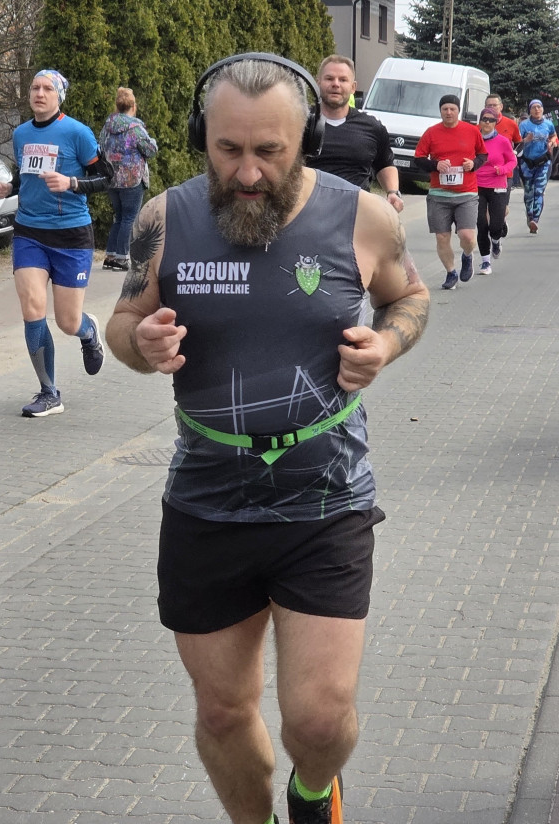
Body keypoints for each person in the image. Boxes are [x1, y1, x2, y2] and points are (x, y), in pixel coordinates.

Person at [105, 54, 430, 824]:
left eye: (268, 152)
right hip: (207, 505)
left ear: (306, 141)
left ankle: (313, 790)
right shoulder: (164, 220)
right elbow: (122, 321)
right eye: (228, 150)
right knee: (223, 712)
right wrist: (138, 345)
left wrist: (386, 344)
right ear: (202, 136)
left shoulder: (363, 217)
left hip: (326, 502)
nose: (247, 173)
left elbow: (411, 296)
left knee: (318, 719)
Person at [0, 69, 112, 418]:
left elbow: (107, 177)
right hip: (29, 231)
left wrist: (72, 183)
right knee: (32, 308)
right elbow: (26, 176)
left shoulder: (77, 132)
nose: (39, 93)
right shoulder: (21, 134)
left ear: (59, 96)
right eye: (35, 87)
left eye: (47, 88)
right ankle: (49, 393)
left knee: (67, 322)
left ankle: (88, 332)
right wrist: (9, 188)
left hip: (71, 234)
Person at [307, 54, 403, 212]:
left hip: (356, 215)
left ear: (353, 87)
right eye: (329, 78)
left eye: (343, 80)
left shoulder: (372, 126)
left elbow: (385, 163)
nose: (336, 84)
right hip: (309, 213)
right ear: (318, 83)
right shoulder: (300, 123)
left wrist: (393, 192)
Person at [413, 94, 487, 290]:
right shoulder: (431, 133)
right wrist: (435, 165)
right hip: (439, 194)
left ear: (458, 111)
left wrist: (473, 164)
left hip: (466, 193)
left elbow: (483, 154)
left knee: (467, 236)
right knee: (442, 237)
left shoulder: (471, 131)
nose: (448, 112)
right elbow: (418, 158)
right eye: (445, 109)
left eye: (452, 109)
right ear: (440, 111)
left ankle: (467, 256)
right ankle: (451, 272)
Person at [99, 86, 158, 270]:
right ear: (133, 106)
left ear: (117, 106)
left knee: (119, 217)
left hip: (111, 178)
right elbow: (150, 150)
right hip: (132, 179)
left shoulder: (107, 127)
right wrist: (153, 141)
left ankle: (110, 256)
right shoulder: (135, 128)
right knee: (129, 218)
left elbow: (100, 148)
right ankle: (122, 258)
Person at [474, 108, 516, 275]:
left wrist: (503, 169)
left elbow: (512, 161)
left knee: (495, 226)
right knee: (481, 224)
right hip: (476, 186)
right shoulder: (474, 139)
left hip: (498, 185)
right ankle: (485, 262)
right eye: (484, 119)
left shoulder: (503, 141)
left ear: (495, 122)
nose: (487, 122)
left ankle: (496, 240)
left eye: (491, 120)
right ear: (480, 121)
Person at [484, 93, 521, 238]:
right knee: (486, 208)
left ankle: (500, 221)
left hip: (505, 174)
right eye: (489, 105)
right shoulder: (480, 125)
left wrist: (514, 153)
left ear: (501, 106)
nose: (492, 107)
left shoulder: (510, 124)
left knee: (502, 208)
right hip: (484, 175)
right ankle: (492, 230)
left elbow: (519, 143)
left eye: (495, 105)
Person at [518, 99, 557, 234]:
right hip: (527, 162)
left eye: (539, 107)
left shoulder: (548, 124)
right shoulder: (524, 125)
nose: (537, 109)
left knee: (539, 191)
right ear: (530, 110)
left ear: (542, 109)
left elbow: (553, 136)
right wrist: (525, 140)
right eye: (534, 107)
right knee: (529, 192)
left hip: (543, 161)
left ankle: (535, 220)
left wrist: (551, 142)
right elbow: (516, 144)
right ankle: (530, 216)